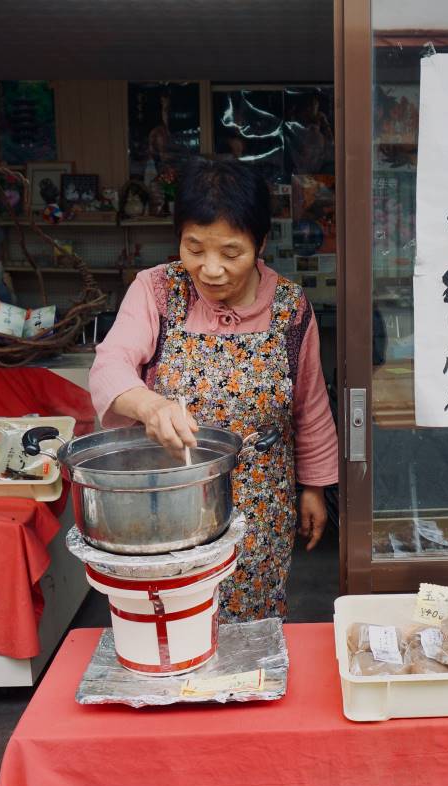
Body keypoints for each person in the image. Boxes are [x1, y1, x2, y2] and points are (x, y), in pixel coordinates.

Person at [89, 159, 338, 622]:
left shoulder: (290, 307)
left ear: (260, 243)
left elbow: (310, 404)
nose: (211, 268)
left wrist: (315, 487)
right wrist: (150, 405)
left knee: (253, 621)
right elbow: (109, 365)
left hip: (261, 499)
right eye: (195, 248)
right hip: (169, 498)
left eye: (231, 252)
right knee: (174, 620)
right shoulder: (157, 290)